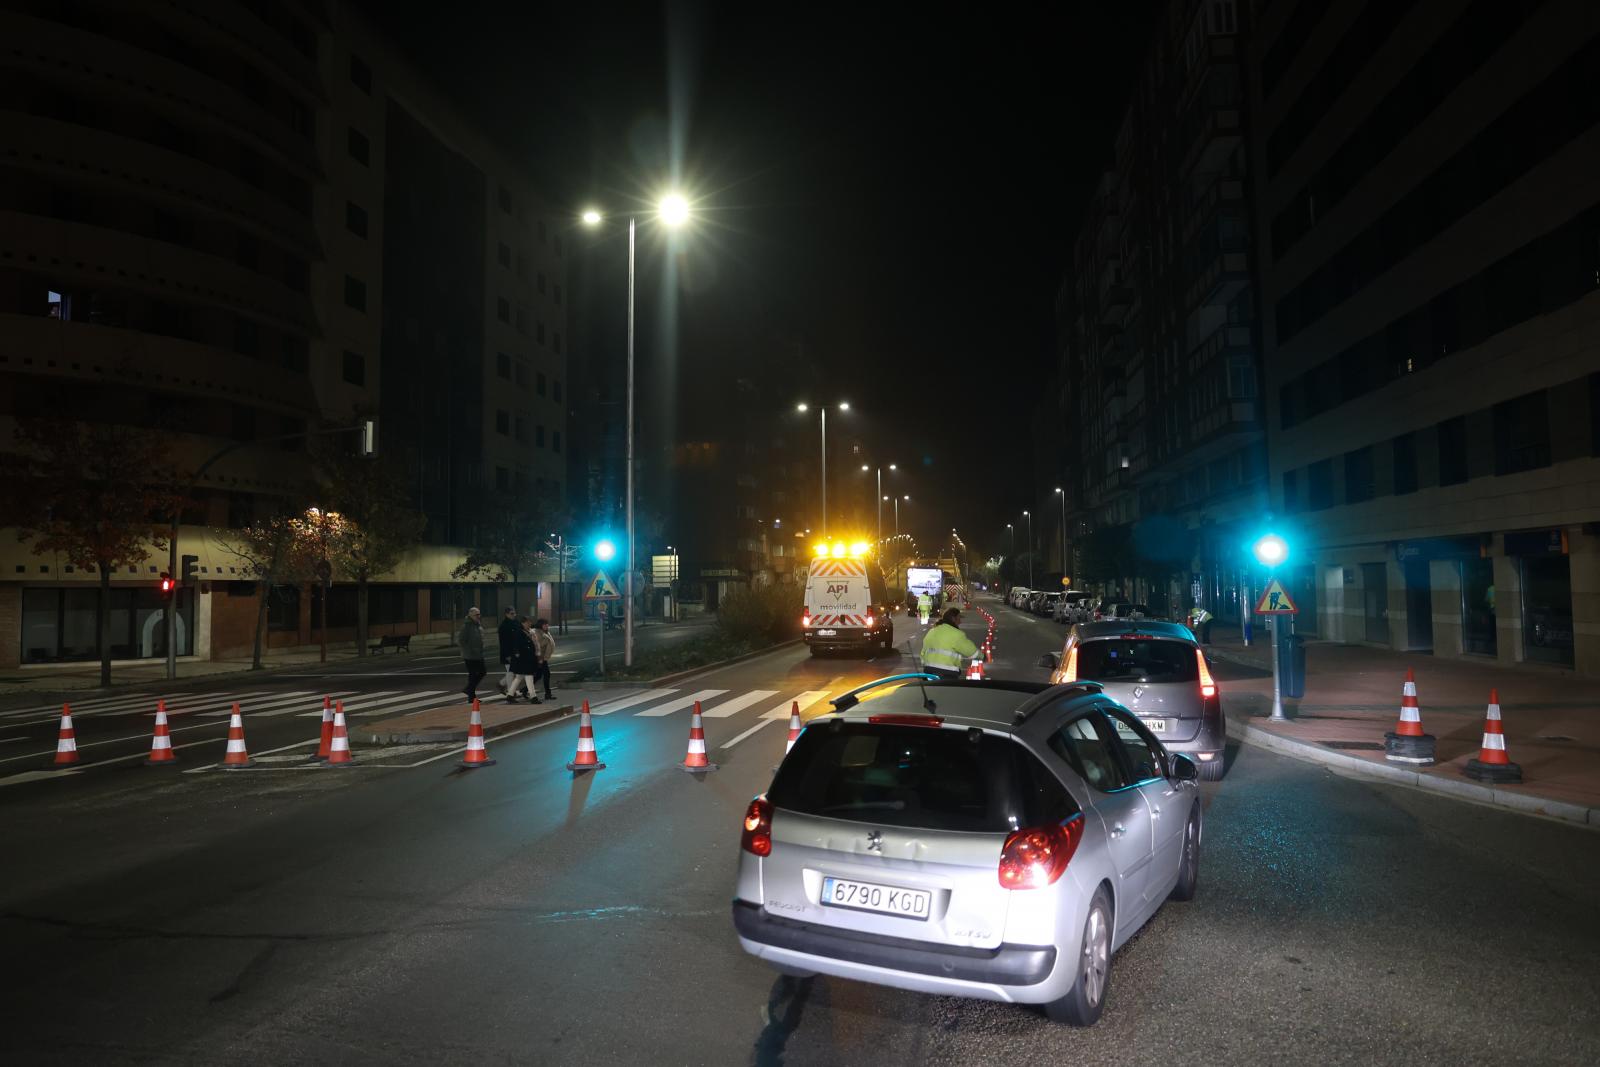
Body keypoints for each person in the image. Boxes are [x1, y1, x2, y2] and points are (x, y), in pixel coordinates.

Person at [920, 607, 979, 679]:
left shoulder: (931, 631)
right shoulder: (957, 634)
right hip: (947, 673)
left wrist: (927, 665)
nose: (960, 622)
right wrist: (982, 657)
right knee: (949, 690)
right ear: (953, 619)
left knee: (930, 689)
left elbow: (923, 652)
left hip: (929, 672)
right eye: (959, 618)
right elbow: (971, 651)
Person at [505, 616, 542, 704]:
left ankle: (510, 695)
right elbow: (516, 645)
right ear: (523, 623)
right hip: (523, 658)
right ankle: (533, 697)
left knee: (519, 677)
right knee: (529, 676)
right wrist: (517, 654)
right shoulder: (519, 632)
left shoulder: (529, 631)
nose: (529, 624)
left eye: (530, 622)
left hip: (527, 657)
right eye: (528, 622)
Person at [459, 606, 486, 702]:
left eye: (479, 614)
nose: (479, 616)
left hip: (478, 654)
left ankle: (469, 691)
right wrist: (470, 649)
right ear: (471, 615)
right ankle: (471, 695)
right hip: (470, 655)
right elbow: (462, 640)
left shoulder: (477, 624)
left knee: (481, 672)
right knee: (473, 674)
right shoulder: (467, 626)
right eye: (476, 614)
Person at [496, 606, 520, 696]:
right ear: (506, 614)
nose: (514, 615)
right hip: (508, 653)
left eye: (514, 613)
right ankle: (511, 692)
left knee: (514, 672)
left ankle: (501, 684)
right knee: (510, 672)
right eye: (512, 614)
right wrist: (507, 655)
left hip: (516, 652)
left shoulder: (516, 623)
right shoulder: (504, 626)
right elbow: (504, 642)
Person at [533, 618, 556, 700]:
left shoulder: (546, 632)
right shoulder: (537, 633)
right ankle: (548, 694)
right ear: (540, 625)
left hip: (544, 658)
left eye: (547, 624)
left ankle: (525, 689)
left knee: (538, 676)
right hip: (540, 657)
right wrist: (546, 640)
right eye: (544, 624)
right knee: (546, 674)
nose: (546, 626)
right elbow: (538, 645)